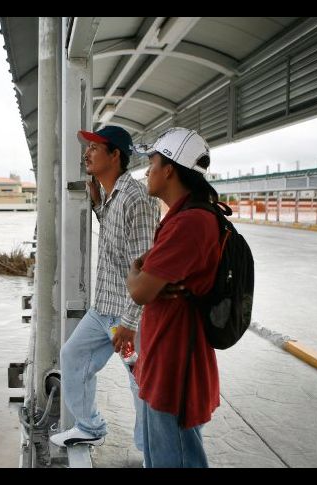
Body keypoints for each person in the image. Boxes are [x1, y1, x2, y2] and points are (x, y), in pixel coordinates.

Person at [49, 125, 157, 451]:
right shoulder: (111, 196)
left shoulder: (136, 200)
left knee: (140, 383)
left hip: (127, 314)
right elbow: (115, 244)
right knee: (73, 355)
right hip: (103, 307)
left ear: (115, 155)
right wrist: (98, 207)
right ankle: (90, 426)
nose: (87, 152)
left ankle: (151, 450)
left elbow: (146, 268)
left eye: (95, 147)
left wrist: (129, 322)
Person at [126, 127, 221, 467]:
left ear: (168, 169)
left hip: (175, 366)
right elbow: (148, 286)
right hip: (163, 358)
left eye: (150, 163)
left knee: (175, 460)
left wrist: (135, 268)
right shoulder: (183, 217)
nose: (146, 172)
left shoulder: (191, 223)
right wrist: (144, 274)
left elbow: (139, 290)